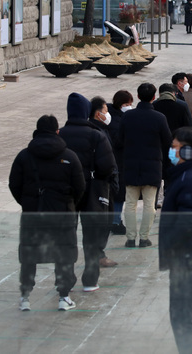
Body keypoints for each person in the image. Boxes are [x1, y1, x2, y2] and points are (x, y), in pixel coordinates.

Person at [8, 115, 85, 312]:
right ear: (57, 131)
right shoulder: (69, 156)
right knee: (64, 254)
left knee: (29, 254)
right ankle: (64, 296)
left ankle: (25, 297)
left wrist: (28, 203)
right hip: (62, 215)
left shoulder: (24, 156)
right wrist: (69, 204)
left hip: (33, 215)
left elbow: (14, 185)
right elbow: (80, 186)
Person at [159, 127, 192, 354]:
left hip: (188, 257)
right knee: (183, 310)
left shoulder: (190, 178)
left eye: (175, 147)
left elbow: (188, 223)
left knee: (184, 312)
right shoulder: (184, 174)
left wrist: (172, 248)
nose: (171, 151)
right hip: (188, 255)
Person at [59, 92, 116, 292]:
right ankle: (90, 279)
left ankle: (65, 278)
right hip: (92, 190)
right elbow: (108, 165)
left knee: (67, 235)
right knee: (92, 234)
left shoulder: (60, 134)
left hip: (66, 192)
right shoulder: (96, 135)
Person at [118, 83, 172, 248]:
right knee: (150, 204)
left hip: (131, 164)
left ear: (138, 96)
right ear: (154, 97)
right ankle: (143, 238)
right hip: (153, 165)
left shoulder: (127, 117)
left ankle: (130, 238)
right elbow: (168, 141)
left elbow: (118, 141)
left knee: (131, 203)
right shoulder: (159, 118)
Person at [89, 96, 119, 268]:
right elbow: (107, 162)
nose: (108, 115)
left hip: (94, 183)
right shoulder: (98, 133)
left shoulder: (101, 130)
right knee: (102, 221)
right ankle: (98, 255)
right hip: (101, 184)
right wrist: (113, 181)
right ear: (98, 113)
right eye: (106, 112)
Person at [106, 90, 134, 235]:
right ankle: (115, 221)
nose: (129, 106)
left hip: (118, 160)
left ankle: (115, 220)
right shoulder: (116, 120)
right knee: (117, 193)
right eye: (126, 104)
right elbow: (118, 140)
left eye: (130, 104)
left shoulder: (117, 116)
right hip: (117, 161)